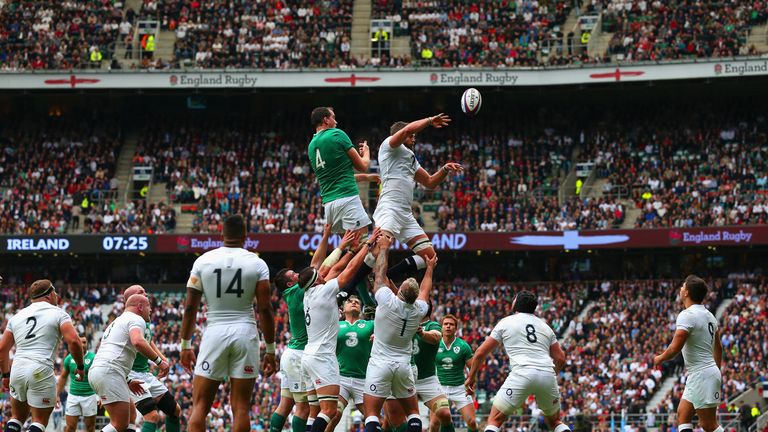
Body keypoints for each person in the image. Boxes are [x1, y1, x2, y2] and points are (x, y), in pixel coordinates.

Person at [180, 214, 277, 432]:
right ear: (245, 236)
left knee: (200, 406)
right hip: (246, 331)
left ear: (221, 234)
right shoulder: (257, 263)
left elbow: (189, 308)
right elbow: (265, 309)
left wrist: (185, 345)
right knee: (241, 408)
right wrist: (270, 349)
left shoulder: (202, 261)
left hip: (214, 331)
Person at [297, 228, 381, 432]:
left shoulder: (309, 293)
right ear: (316, 280)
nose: (323, 273)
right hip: (323, 357)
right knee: (329, 410)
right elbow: (349, 270)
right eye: (319, 275)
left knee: (317, 410)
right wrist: (367, 245)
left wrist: (348, 249)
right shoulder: (324, 291)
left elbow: (329, 269)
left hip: (309, 355)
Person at [270, 226, 345, 432]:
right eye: (294, 274)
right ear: (289, 283)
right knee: (304, 409)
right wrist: (342, 247)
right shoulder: (297, 291)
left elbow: (316, 264)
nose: (299, 275)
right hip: (300, 354)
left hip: (294, 354)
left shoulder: (296, 292)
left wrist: (326, 236)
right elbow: (319, 267)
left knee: (286, 406)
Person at [465, 290, 571, 432]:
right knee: (555, 421)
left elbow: (479, 353)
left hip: (522, 373)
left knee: (494, 420)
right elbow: (561, 359)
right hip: (547, 374)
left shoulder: (506, 322)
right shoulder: (545, 326)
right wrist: (552, 375)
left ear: (516, 303)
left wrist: (471, 377)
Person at [372, 114, 462, 282]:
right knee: (380, 249)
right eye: (412, 136)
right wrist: (429, 121)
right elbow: (407, 129)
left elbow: (429, 182)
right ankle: (371, 284)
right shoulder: (389, 145)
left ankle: (386, 276)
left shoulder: (410, 157)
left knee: (430, 258)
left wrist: (444, 169)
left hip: (405, 214)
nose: (414, 139)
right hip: (389, 208)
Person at [363, 234, 436, 432]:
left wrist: (385, 248)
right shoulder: (419, 310)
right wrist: (429, 269)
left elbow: (379, 275)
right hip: (404, 366)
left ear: (399, 292)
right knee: (413, 413)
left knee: (371, 414)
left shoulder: (387, 300)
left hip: (380, 363)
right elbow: (425, 291)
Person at [0, 280, 85, 432]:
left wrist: (5, 374)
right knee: (39, 421)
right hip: (40, 369)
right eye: (55, 292)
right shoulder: (59, 313)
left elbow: (2, 349)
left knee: (16, 418)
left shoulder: (16, 317)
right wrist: (80, 366)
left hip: (17, 369)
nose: (57, 295)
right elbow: (74, 341)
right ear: (50, 294)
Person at [89, 294, 169, 432]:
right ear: (140, 307)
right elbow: (138, 341)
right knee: (119, 424)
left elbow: (113, 354)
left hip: (103, 370)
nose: (150, 310)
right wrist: (159, 362)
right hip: (110, 372)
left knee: (131, 415)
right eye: (149, 305)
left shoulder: (116, 322)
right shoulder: (136, 319)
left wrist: (128, 380)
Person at [654, 275, 724, 432]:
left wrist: (659, 358)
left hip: (702, 374)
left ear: (687, 293)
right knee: (683, 414)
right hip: (702, 373)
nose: (680, 289)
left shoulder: (687, 315)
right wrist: (716, 371)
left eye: (683, 287)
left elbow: (675, 347)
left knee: (708, 425)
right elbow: (718, 347)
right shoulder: (709, 315)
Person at [123, 287, 181, 432]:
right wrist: (159, 362)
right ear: (133, 300)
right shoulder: (129, 321)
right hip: (131, 375)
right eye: (141, 292)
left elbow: (148, 340)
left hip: (145, 374)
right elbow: (138, 342)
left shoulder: (143, 319)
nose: (146, 294)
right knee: (152, 416)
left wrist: (162, 359)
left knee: (175, 410)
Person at [308, 106, 371, 236]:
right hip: (347, 198)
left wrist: (367, 177)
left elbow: (337, 175)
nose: (336, 122)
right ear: (326, 120)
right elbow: (363, 166)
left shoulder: (311, 146)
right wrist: (366, 153)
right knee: (366, 248)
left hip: (329, 205)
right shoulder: (337, 134)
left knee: (350, 249)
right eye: (333, 118)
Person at [329, 295, 375, 431]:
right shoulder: (335, 325)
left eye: (357, 302)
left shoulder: (370, 325)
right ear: (342, 309)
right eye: (350, 302)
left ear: (361, 309)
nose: (354, 303)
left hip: (363, 379)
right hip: (341, 378)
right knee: (334, 415)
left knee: (373, 419)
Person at [410, 304, 454, 432]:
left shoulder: (432, 325)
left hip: (427, 380)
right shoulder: (404, 322)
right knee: (388, 422)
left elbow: (435, 337)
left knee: (445, 414)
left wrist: (422, 333)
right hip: (404, 378)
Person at [435, 314, 477, 432]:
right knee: (433, 425)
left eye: (451, 324)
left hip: (459, 388)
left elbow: (473, 368)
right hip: (439, 388)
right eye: (445, 324)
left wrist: (472, 385)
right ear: (441, 327)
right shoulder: (434, 344)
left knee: (472, 423)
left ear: (456, 328)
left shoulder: (463, 346)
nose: (448, 326)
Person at [57, 336, 98, 432]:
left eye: (84, 342)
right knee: (70, 428)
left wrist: (100, 395)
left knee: (90, 428)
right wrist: (57, 394)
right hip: (73, 396)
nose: (83, 345)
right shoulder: (68, 359)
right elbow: (63, 377)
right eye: (80, 342)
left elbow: (99, 378)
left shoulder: (93, 358)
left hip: (89, 396)